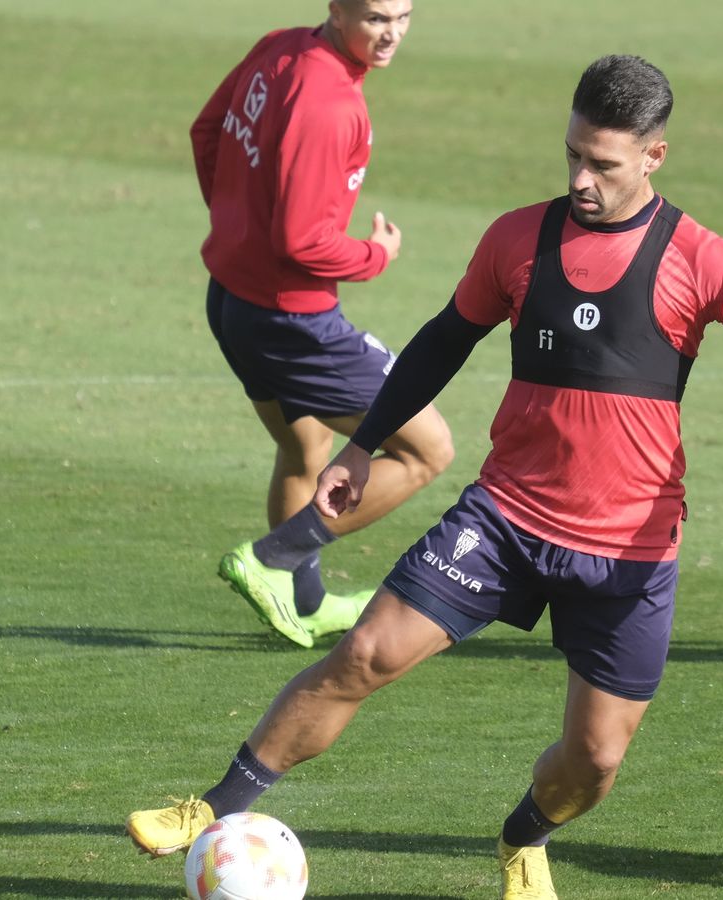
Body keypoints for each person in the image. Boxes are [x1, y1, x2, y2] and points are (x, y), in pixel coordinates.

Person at [128, 54, 723, 898]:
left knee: (595, 760)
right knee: (364, 655)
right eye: (572, 154)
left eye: (603, 162)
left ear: (654, 157)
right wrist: (362, 445)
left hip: (627, 550)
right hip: (505, 521)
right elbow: (444, 341)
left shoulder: (700, 258)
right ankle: (214, 809)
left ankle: (524, 837)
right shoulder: (519, 238)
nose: (581, 177)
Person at [191, 0, 454, 649]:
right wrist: (376, 256)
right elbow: (303, 239)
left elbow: (208, 132)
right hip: (292, 322)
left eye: (404, 15)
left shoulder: (278, 47)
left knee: (304, 450)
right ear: (337, 9)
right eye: (374, 18)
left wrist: (235, 227)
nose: (391, 32)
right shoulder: (332, 105)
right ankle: (274, 558)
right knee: (428, 451)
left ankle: (303, 606)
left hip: (230, 299)